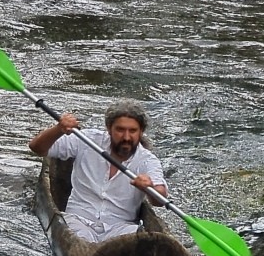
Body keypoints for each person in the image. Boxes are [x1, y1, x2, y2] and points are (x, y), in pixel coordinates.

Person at [29, 100, 168, 243]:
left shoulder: (147, 160)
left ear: (141, 132)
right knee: (80, 240)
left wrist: (149, 188)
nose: (126, 137)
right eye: (120, 130)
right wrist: (58, 129)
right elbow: (37, 147)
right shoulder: (87, 140)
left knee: (140, 241)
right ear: (109, 128)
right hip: (78, 221)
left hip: (120, 228)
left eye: (132, 131)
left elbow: (160, 199)